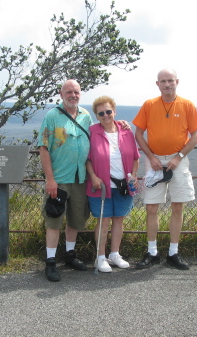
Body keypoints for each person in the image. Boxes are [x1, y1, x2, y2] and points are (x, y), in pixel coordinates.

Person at [38, 80, 131, 282]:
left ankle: (70, 255)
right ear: (61, 94)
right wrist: (50, 179)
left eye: (76, 92)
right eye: (69, 92)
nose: (73, 95)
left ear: (80, 94)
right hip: (60, 179)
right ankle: (51, 262)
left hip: (81, 178)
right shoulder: (52, 116)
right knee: (54, 220)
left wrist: (121, 123)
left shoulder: (86, 115)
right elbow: (43, 148)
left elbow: (101, 130)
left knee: (76, 219)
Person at [132, 68, 197, 270]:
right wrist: (151, 157)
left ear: (177, 82)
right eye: (163, 81)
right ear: (157, 84)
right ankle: (152, 252)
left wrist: (178, 157)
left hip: (177, 162)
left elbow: (196, 135)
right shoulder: (149, 105)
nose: (167, 84)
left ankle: (173, 252)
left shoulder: (187, 105)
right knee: (151, 207)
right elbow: (138, 134)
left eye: (170, 80)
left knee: (178, 206)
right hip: (154, 162)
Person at [86, 96, 140, 273]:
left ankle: (114, 254)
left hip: (123, 185)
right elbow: (86, 159)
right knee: (103, 221)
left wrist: (134, 176)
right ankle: (100, 257)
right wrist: (93, 176)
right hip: (101, 186)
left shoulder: (126, 131)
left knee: (119, 219)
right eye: (101, 113)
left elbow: (135, 158)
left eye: (108, 111)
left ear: (114, 111)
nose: (106, 115)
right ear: (97, 115)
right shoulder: (92, 131)